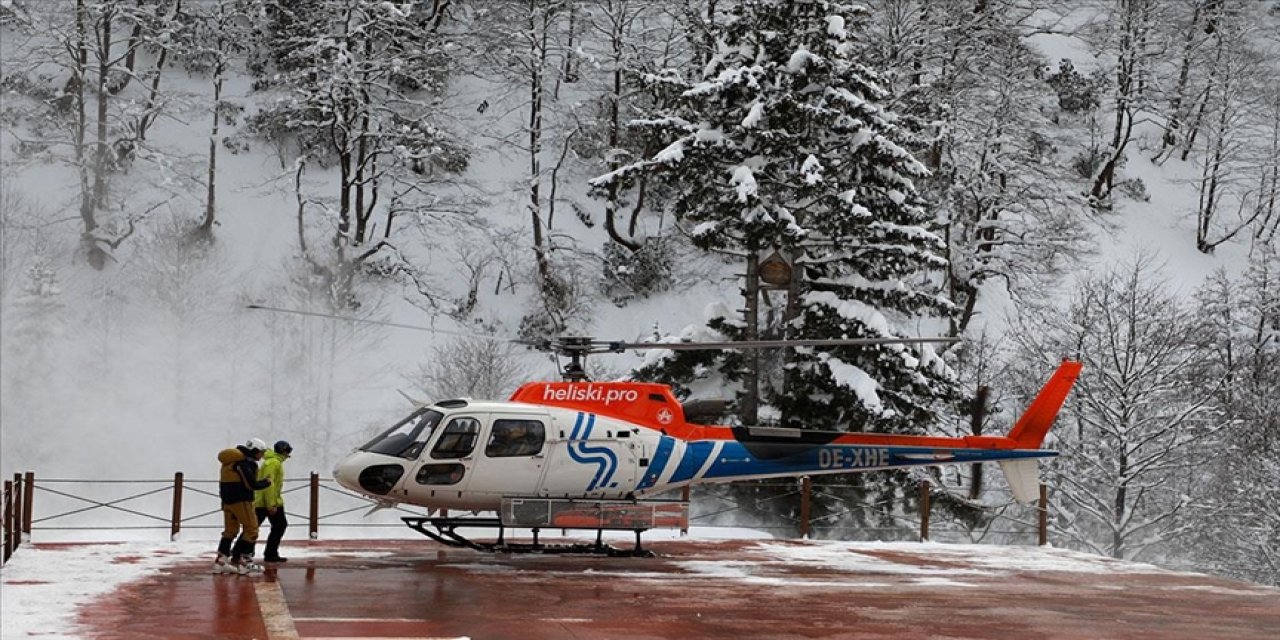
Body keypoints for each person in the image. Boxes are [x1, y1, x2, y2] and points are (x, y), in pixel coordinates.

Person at [214, 438, 271, 575]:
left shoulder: (229, 462)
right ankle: (245, 561)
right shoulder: (244, 463)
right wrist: (266, 482)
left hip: (228, 501)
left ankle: (221, 561)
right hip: (242, 501)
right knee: (252, 529)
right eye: (261, 452)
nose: (262, 456)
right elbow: (251, 485)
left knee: (230, 531)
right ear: (255, 451)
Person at [254, 440, 292, 563]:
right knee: (279, 526)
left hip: (264, 501)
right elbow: (269, 484)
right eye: (288, 451)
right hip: (268, 502)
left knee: (254, 527)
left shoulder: (273, 462)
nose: (289, 455)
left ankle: (240, 552)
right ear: (283, 451)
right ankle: (269, 554)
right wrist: (271, 504)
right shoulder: (274, 463)